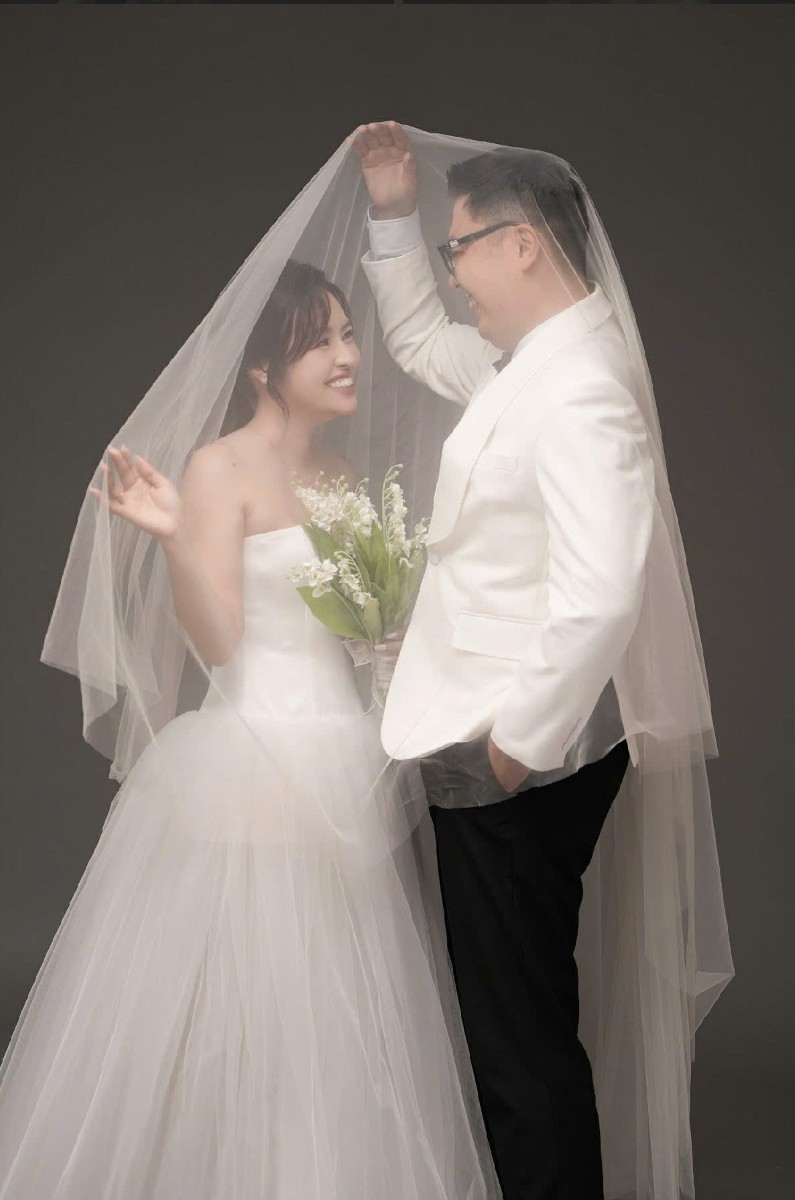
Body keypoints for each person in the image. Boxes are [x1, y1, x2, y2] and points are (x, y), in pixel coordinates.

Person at [0, 258, 500, 1200]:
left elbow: (349, 636)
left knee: (336, 1008)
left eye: (348, 335)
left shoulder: (338, 474)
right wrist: (172, 535)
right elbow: (223, 644)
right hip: (257, 761)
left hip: (344, 760)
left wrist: (387, 644)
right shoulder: (218, 468)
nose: (348, 356)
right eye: (322, 342)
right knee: (254, 997)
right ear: (265, 368)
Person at [352, 121, 733, 1200]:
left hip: (517, 755)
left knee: (517, 1049)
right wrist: (394, 212)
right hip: (499, 739)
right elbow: (419, 342)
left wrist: (511, 751)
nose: (452, 272)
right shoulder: (535, 362)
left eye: (457, 248)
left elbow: (602, 590)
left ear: (521, 244)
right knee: (514, 1033)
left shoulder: (579, 385)